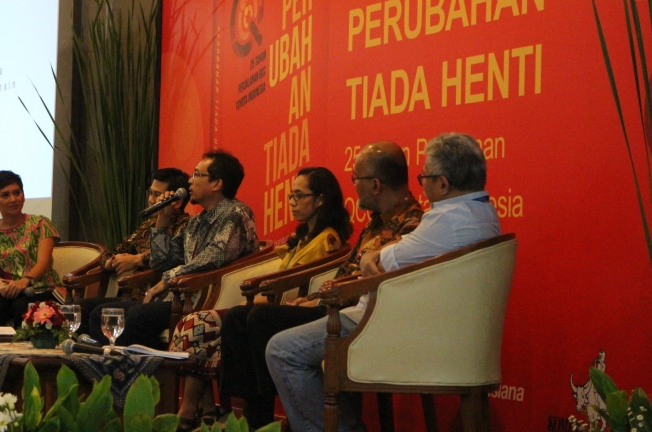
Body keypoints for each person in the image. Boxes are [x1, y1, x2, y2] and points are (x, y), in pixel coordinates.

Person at [265, 133, 502, 432]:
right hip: (440, 331)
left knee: (281, 350)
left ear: (442, 183)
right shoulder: (484, 214)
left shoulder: (448, 219)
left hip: (391, 326)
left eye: (424, 177)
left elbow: (375, 263)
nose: (421, 185)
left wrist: (372, 258)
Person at [219, 141, 424, 430]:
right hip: (334, 304)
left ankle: (279, 422)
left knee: (261, 317)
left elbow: (377, 282)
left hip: (358, 315)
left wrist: (321, 300)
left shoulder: (412, 225)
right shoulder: (377, 222)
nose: (354, 187)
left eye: (357, 180)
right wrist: (313, 297)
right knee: (238, 318)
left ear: (376, 185)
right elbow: (346, 271)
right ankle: (257, 422)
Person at [169, 167, 353, 431]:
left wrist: (267, 297)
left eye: (299, 196)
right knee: (235, 316)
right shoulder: (301, 237)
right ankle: (248, 415)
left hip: (306, 307)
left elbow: (313, 282)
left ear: (321, 199)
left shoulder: (328, 240)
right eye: (290, 195)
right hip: (283, 302)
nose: (292, 202)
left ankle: (260, 415)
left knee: (254, 315)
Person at [88, 150, 259, 347]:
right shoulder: (197, 222)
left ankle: (144, 373)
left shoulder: (236, 213)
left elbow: (214, 257)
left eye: (197, 175)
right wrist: (163, 217)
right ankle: (109, 373)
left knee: (137, 316)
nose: (190, 182)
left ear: (216, 183)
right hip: (184, 296)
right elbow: (161, 261)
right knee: (102, 314)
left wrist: (167, 280)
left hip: (209, 300)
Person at [73, 168, 190, 336]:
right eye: (150, 193)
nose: (150, 200)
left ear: (176, 201)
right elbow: (110, 253)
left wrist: (137, 259)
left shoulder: (186, 226)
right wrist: (113, 261)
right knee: (80, 309)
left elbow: (170, 259)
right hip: (131, 295)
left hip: (158, 296)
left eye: (157, 195)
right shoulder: (146, 226)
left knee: (102, 313)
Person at [0, 170, 61, 326]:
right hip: (7, 292)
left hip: (40, 290)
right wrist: (1, 284)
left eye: (17, 193)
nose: (13, 199)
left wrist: (24, 281)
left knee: (22, 306)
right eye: (5, 195)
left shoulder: (40, 223)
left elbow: (43, 261)